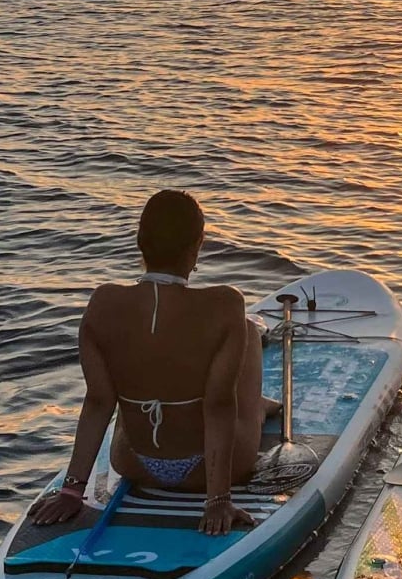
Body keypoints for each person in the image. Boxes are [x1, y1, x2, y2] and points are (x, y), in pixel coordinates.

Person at [29, 190, 270, 535]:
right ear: (198, 244)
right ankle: (258, 408)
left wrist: (72, 491)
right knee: (247, 331)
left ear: (140, 241)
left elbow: (98, 402)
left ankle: (249, 406)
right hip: (211, 472)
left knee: (130, 398)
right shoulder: (225, 305)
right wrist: (217, 500)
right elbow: (218, 406)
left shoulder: (103, 303)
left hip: (133, 463)